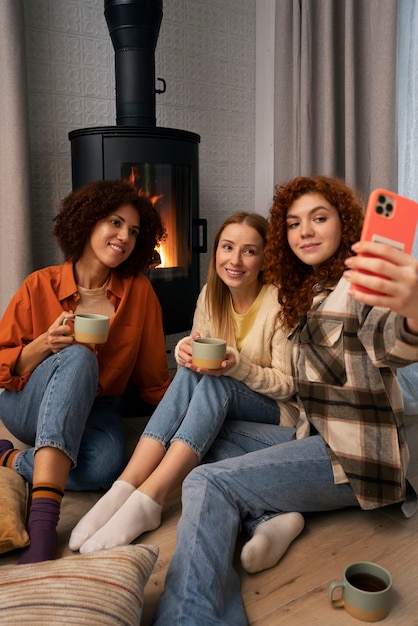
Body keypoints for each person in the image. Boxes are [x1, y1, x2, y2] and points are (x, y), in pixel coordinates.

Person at [151, 175, 418, 625]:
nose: (306, 231)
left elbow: (390, 340)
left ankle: (189, 619)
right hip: (307, 435)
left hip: (353, 455)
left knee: (204, 482)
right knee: (201, 438)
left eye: (319, 218)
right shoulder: (303, 293)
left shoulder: (358, 288)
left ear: (345, 224)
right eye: (294, 224)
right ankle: (278, 516)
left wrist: (412, 310)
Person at [69, 211, 301, 556]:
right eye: (227, 247)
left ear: (265, 258)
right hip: (224, 410)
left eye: (249, 251)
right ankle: (125, 489)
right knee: (198, 379)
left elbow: (288, 386)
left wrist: (239, 368)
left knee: (215, 385)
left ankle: (150, 497)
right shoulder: (211, 295)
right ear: (216, 251)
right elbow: (198, 358)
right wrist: (183, 352)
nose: (235, 260)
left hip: (277, 419)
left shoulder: (279, 302)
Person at [0, 179, 170, 564]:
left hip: (98, 409)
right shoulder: (38, 284)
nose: (124, 236)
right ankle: (43, 525)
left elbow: (153, 380)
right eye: (114, 223)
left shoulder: (140, 292)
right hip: (29, 405)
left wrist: (189, 408)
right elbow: (3, 368)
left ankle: (11, 461)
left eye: (133, 231)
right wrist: (45, 344)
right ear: (88, 222)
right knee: (79, 357)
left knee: (106, 467)